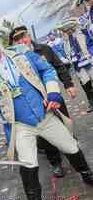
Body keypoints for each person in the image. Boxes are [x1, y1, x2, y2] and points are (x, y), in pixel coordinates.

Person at [0, 27, 93, 200]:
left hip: (45, 115)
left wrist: (53, 92)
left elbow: (47, 70)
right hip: (20, 126)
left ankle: (86, 173)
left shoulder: (22, 55)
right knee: (28, 165)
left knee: (70, 146)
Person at [9, 25, 78, 178]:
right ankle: (55, 163)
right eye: (17, 39)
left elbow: (59, 67)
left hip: (53, 95)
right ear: (14, 43)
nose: (21, 41)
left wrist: (69, 85)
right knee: (45, 134)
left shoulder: (44, 49)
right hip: (38, 103)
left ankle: (74, 150)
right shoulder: (14, 59)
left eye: (23, 36)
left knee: (65, 123)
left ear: (28, 36)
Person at [56, 17, 93, 113]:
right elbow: (65, 52)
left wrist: (90, 53)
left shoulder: (82, 33)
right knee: (85, 83)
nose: (67, 32)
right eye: (66, 30)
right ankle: (91, 101)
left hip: (88, 60)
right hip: (78, 65)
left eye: (68, 29)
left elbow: (90, 43)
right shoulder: (65, 41)